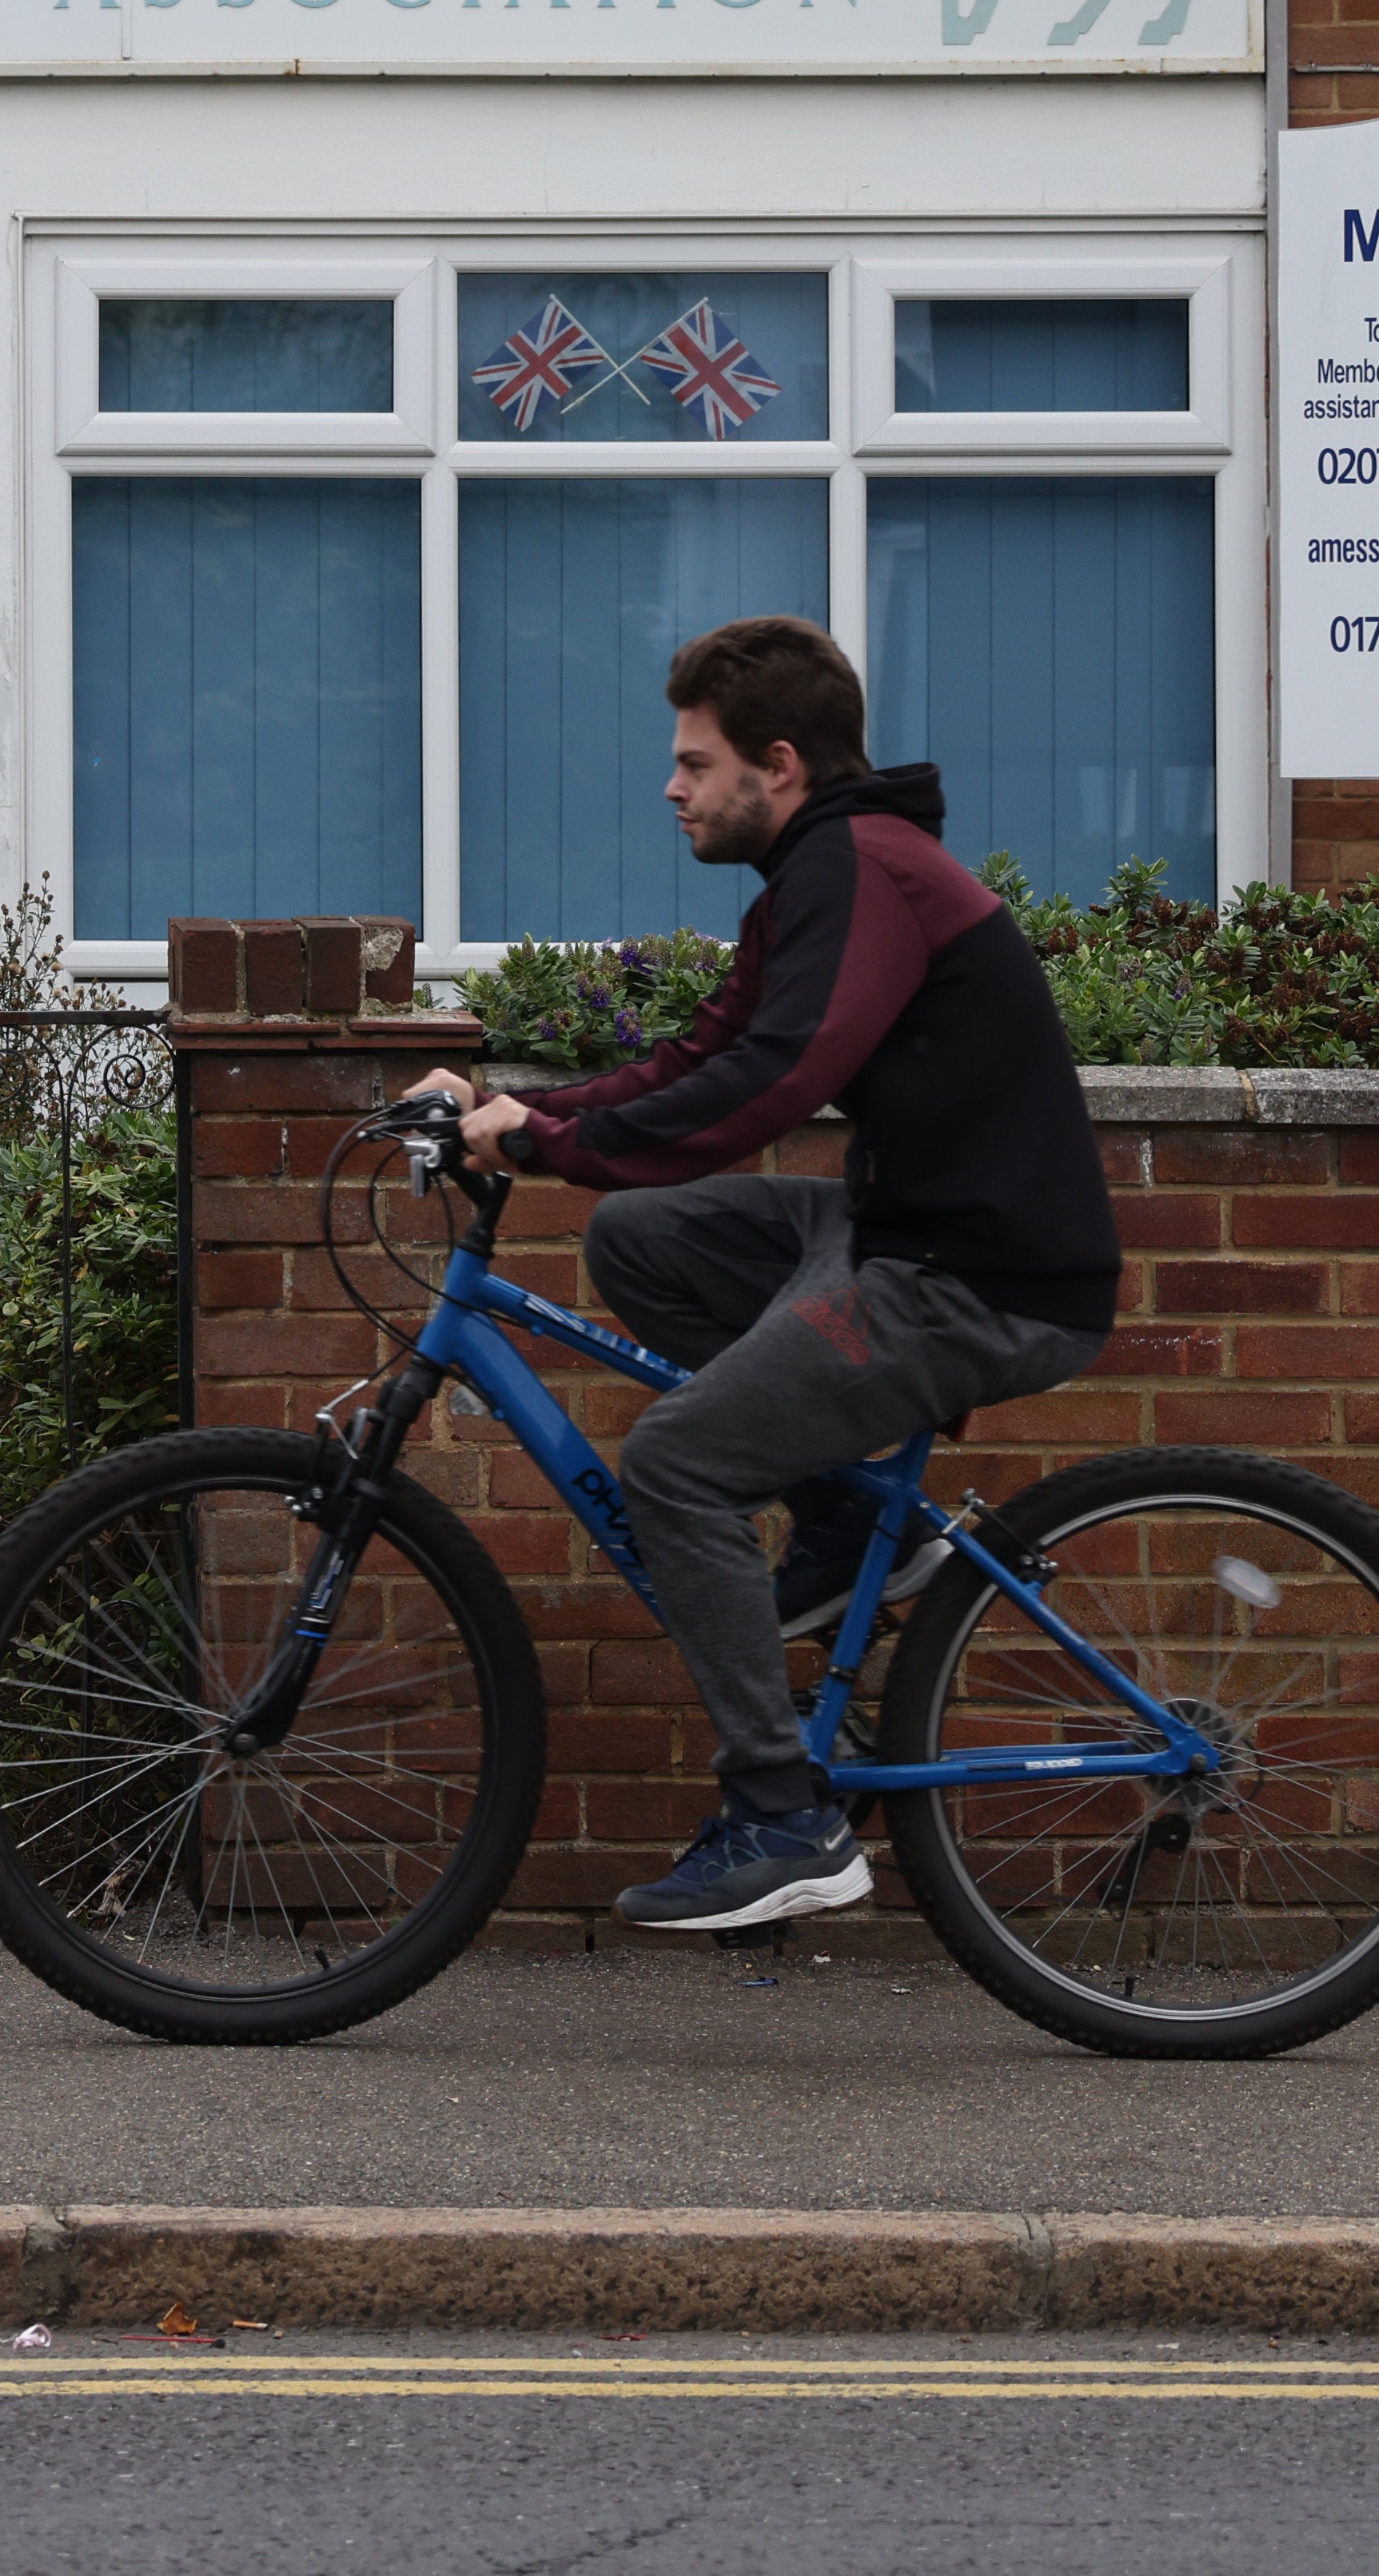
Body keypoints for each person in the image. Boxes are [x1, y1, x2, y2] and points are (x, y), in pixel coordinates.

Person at [405, 614, 1119, 1935]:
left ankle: (786, 1817)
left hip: (979, 1274)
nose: (670, 787)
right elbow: (701, 1058)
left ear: (776, 764)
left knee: (677, 1466)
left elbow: (769, 1085)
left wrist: (554, 1142)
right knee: (640, 1238)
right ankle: (862, 1531)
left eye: (693, 762)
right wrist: (524, 1108)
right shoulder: (823, 872)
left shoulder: (860, 870)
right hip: (895, 1224)